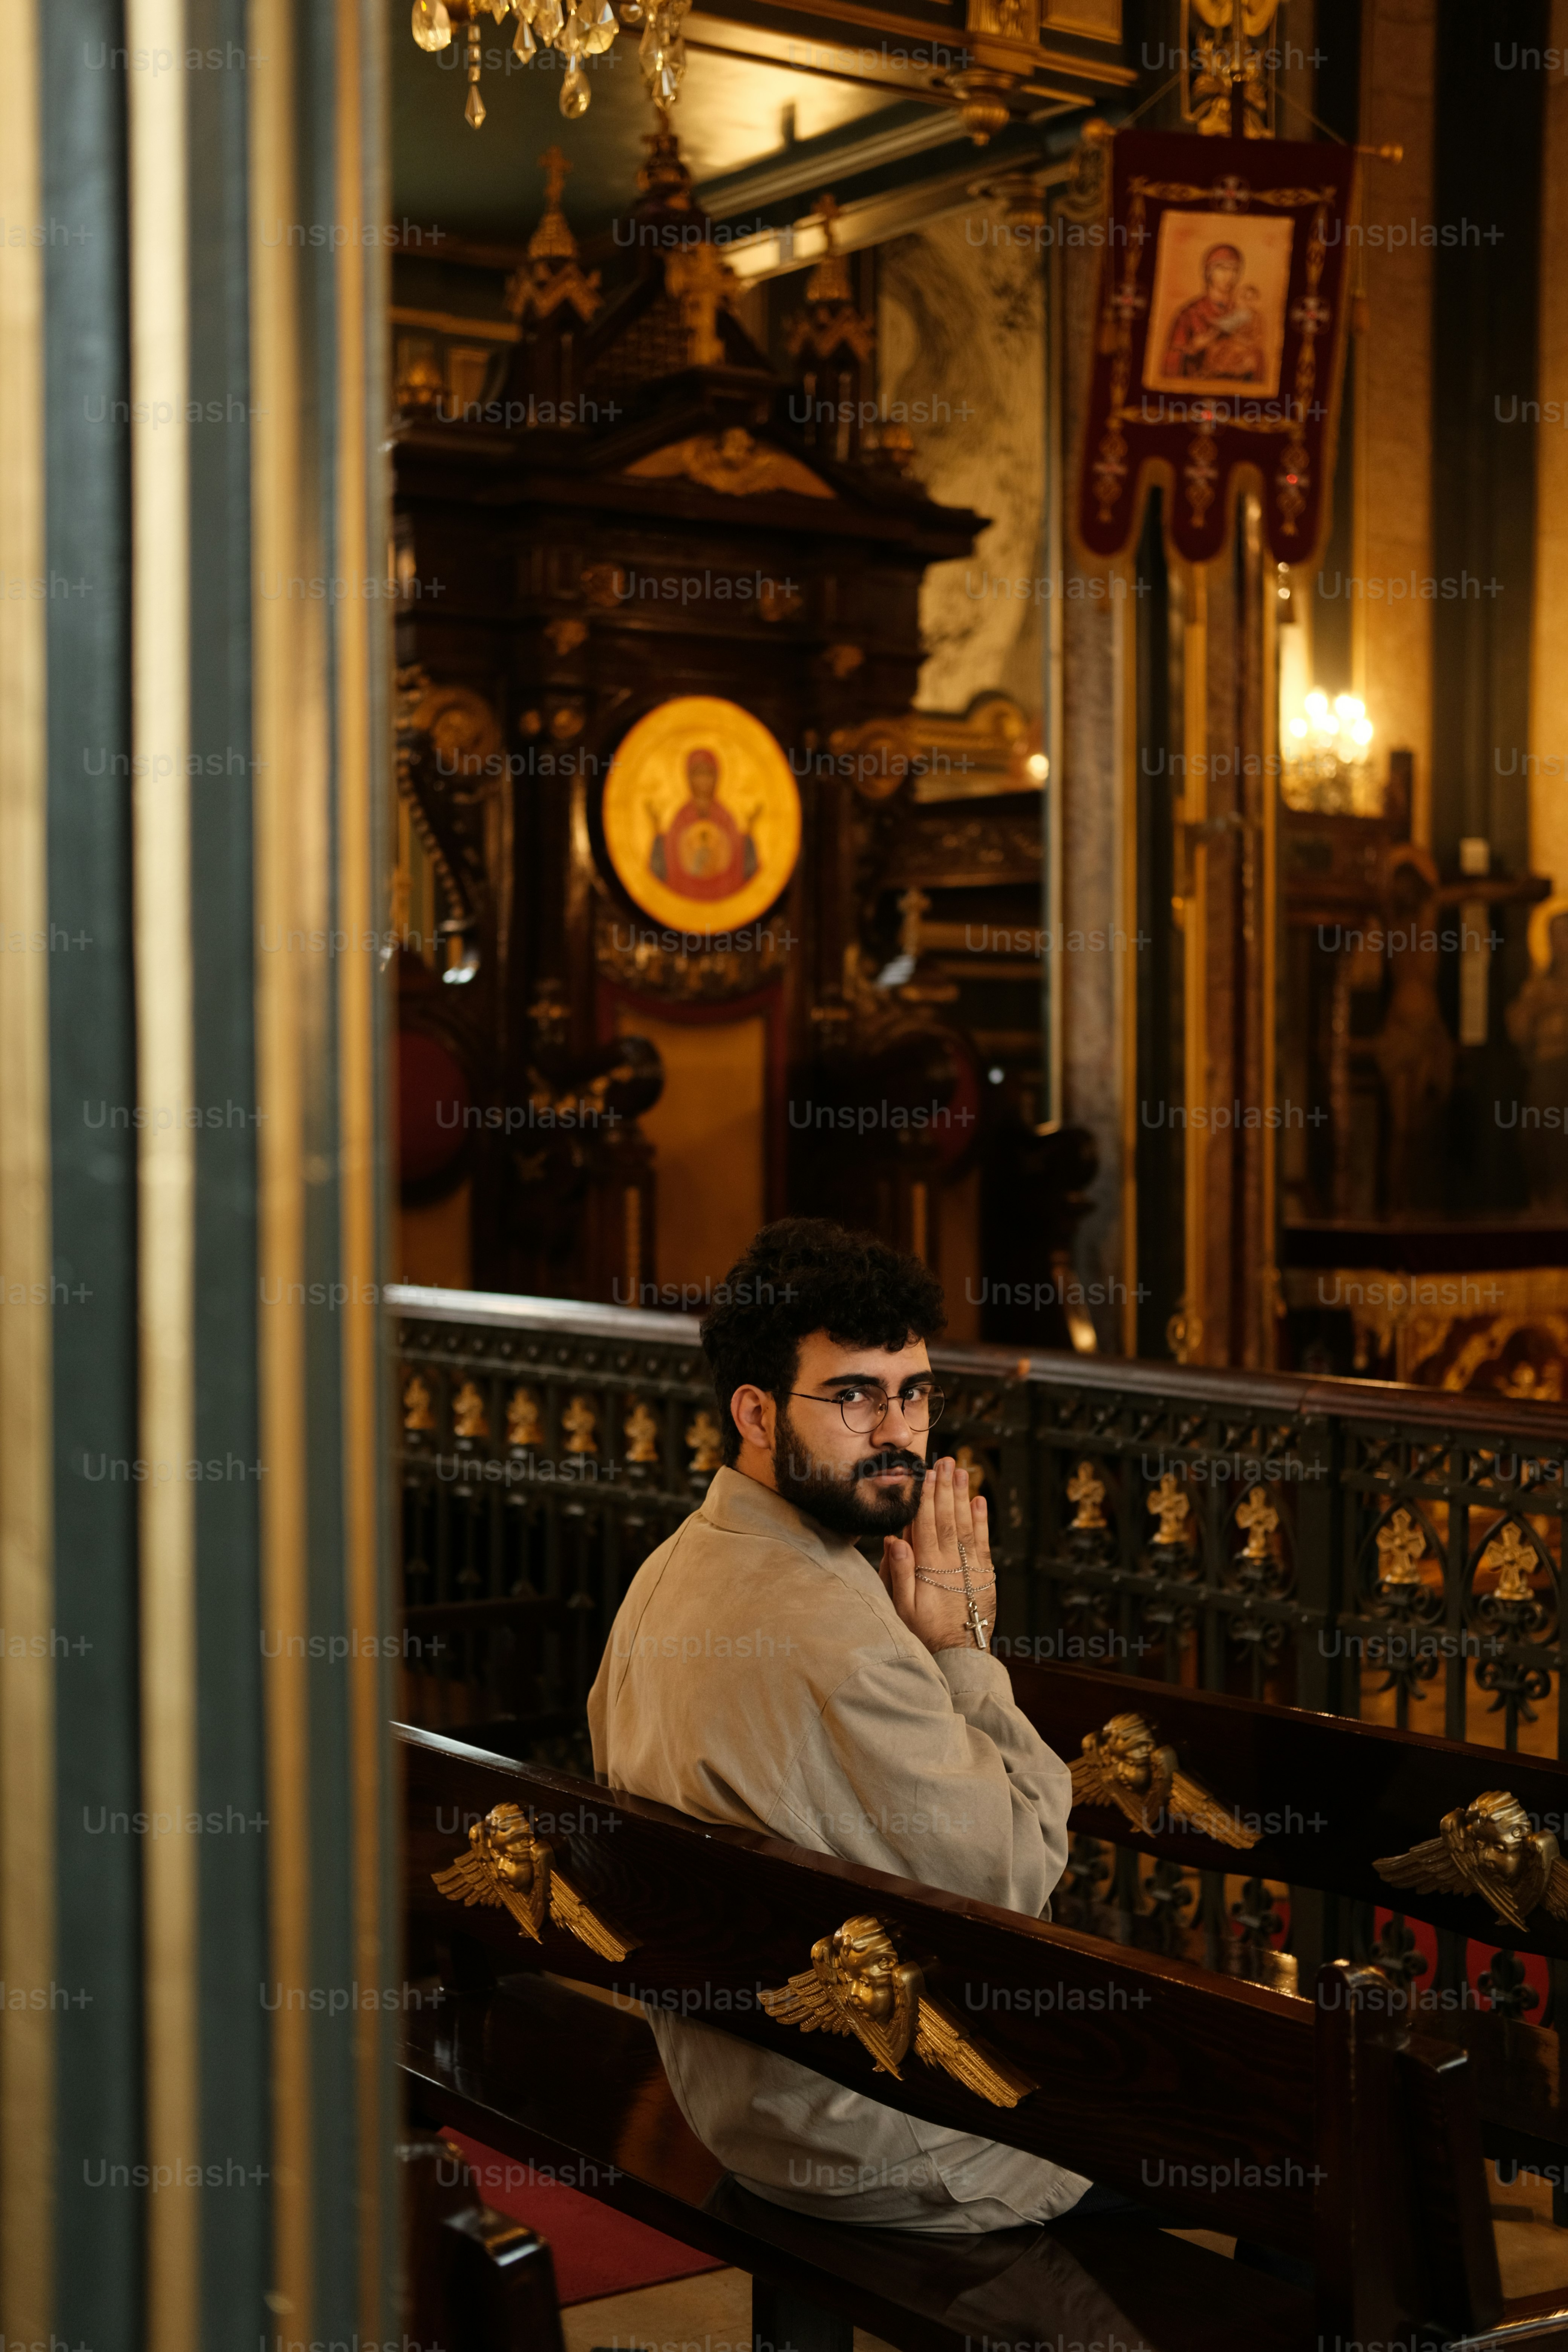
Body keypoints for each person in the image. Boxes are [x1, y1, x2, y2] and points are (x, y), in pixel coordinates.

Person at [587, 1215, 1092, 2231]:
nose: (898, 1432)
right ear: (757, 1413)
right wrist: (963, 1651)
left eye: (914, 1394)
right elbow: (1019, 1873)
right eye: (854, 1397)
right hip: (881, 2137)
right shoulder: (828, 1630)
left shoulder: (673, 1571)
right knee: (1304, 2157)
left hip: (741, 2093)